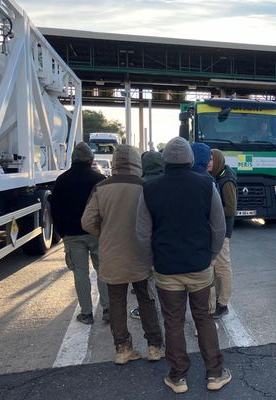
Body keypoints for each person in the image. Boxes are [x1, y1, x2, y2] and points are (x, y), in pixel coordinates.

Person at [136, 137, 231, 393]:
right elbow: (218, 226)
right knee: (204, 317)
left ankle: (178, 377)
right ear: (190, 159)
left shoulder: (150, 188)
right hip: (199, 266)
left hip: (166, 269)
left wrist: (150, 264)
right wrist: (211, 255)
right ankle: (215, 373)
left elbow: (143, 234)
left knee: (173, 321)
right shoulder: (206, 184)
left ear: (165, 159)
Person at [81, 145, 164, 365]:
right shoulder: (145, 186)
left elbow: (87, 222)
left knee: (116, 303)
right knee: (146, 299)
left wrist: (106, 232)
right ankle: (155, 346)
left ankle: (123, 349)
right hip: (140, 253)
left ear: (115, 162)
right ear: (137, 162)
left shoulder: (101, 187)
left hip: (112, 255)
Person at [50, 142, 109, 325]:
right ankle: (108, 309)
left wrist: (62, 232)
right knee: (103, 272)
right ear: (91, 160)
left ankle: (87, 313)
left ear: (73, 159)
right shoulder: (100, 179)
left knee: (80, 273)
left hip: (73, 235)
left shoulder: (62, 180)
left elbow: (55, 209)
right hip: (97, 233)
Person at [129, 150, 164, 320]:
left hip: (145, 240)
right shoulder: (167, 182)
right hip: (165, 240)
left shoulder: (138, 185)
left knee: (146, 280)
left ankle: (144, 309)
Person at [210, 149, 237, 319]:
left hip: (223, 230)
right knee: (217, 269)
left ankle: (223, 303)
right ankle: (219, 300)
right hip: (220, 228)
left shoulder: (226, 180)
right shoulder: (219, 175)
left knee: (222, 268)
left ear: (218, 160)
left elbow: (231, 209)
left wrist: (213, 210)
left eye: (211, 160)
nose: (208, 163)